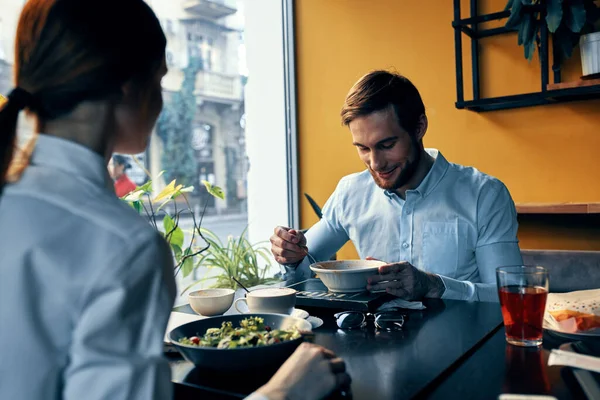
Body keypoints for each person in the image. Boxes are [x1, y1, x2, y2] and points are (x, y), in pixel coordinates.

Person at [0, 1, 349, 400]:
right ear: (127, 84)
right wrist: (285, 393)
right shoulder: (120, 245)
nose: (162, 100)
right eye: (160, 79)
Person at [271, 70, 523, 303]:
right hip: (372, 345)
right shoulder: (350, 193)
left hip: (463, 346)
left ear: (419, 127)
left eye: (387, 145)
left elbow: (511, 297)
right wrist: (290, 254)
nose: (376, 163)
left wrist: (436, 286)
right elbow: (303, 267)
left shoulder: (484, 195)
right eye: (362, 148)